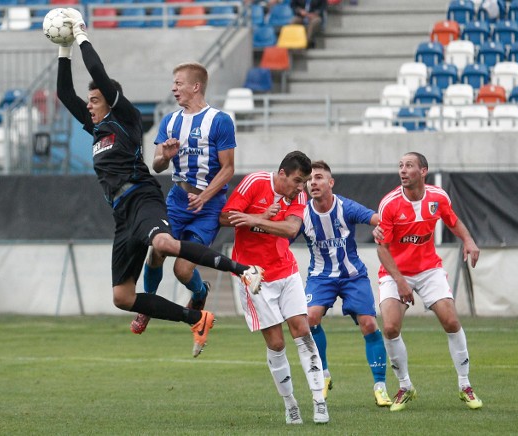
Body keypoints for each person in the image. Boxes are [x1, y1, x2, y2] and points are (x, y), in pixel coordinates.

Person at [55, 9, 263, 358]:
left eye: (94, 100)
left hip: (141, 197)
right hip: (122, 214)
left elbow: (98, 73)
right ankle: (195, 317)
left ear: (110, 101)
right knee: (122, 296)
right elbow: (64, 92)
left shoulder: (126, 118)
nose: (89, 106)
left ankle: (243, 271)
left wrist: (80, 35)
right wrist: (63, 50)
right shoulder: (97, 128)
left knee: (165, 246)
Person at [219, 151, 329, 425]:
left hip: (285, 270)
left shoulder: (299, 196)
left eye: (303, 182)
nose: (301, 188)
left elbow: (291, 229)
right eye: (297, 181)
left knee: (302, 332)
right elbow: (224, 217)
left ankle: (319, 400)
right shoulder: (254, 182)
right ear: (282, 175)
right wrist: (254, 214)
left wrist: (256, 219)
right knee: (277, 343)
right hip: (254, 276)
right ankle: (290, 404)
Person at [129, 62, 236, 336]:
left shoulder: (220, 120)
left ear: (195, 86)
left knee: (182, 270)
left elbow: (228, 169)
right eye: (174, 83)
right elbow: (157, 165)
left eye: (178, 83)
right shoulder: (170, 121)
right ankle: (148, 305)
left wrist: (206, 197)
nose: (173, 88)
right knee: (157, 250)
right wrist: (165, 155)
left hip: (207, 207)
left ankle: (199, 293)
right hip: (177, 200)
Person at [374, 151, 483, 411]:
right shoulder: (389, 204)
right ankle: (405, 386)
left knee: (451, 321)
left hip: (428, 269)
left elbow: (452, 220)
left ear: (423, 171)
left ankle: (465, 385)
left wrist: (468, 240)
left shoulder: (437, 197)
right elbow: (382, 248)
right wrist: (400, 282)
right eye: (400, 165)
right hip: (394, 272)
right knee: (389, 328)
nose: (402, 170)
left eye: (409, 166)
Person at [299, 160, 391, 407]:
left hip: (353, 276)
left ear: (330, 183)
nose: (313, 183)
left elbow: (375, 218)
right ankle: (325, 374)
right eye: (309, 179)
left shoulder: (345, 207)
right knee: (309, 319)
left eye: (318, 178)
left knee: (369, 324)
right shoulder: (302, 213)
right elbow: (283, 236)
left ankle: (380, 386)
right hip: (320, 277)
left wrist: (381, 228)